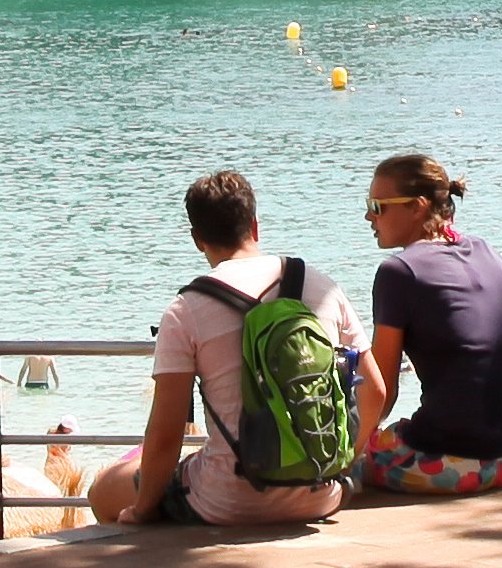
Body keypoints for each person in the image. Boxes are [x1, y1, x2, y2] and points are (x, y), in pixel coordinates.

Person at [88, 171, 357, 530]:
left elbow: (166, 434)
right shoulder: (320, 284)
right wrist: (338, 468)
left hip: (225, 501)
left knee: (103, 491)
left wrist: (141, 510)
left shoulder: (187, 309)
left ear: (197, 239)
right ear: (255, 225)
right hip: (323, 494)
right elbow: (376, 390)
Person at [350, 153, 502, 498]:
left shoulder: (399, 272)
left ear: (418, 206)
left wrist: (348, 453)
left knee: (353, 460)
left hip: (458, 466)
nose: (368, 216)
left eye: (378, 205)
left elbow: (380, 394)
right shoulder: (488, 251)